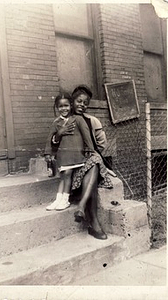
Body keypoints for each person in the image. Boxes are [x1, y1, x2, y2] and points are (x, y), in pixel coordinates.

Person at [51, 85, 113, 240]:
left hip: (89, 161)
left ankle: (85, 211)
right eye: (78, 101)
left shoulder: (92, 121)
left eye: (85, 103)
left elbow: (100, 146)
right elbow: (53, 145)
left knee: (93, 164)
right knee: (93, 166)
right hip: (71, 165)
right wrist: (60, 133)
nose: (82, 105)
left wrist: (102, 163)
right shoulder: (63, 121)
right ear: (72, 102)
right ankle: (91, 219)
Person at [44, 93, 95, 211]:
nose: (64, 109)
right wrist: (48, 153)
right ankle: (58, 199)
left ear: (71, 105)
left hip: (75, 154)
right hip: (63, 155)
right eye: (60, 106)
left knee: (66, 174)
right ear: (57, 108)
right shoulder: (56, 123)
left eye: (66, 105)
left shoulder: (77, 119)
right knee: (63, 175)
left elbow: (86, 135)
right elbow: (50, 139)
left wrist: (89, 149)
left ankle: (65, 199)